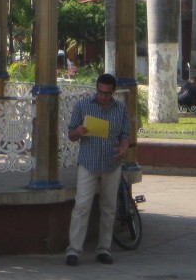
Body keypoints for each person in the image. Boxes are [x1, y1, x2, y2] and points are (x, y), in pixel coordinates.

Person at [65, 73, 131, 266]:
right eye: (100, 92)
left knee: (109, 207)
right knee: (81, 205)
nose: (103, 97)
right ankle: (74, 250)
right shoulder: (83, 106)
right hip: (88, 163)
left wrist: (124, 147)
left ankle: (104, 249)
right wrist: (78, 132)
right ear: (96, 89)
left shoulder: (120, 109)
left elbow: (125, 134)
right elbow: (71, 134)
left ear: (113, 92)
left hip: (112, 163)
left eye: (107, 94)